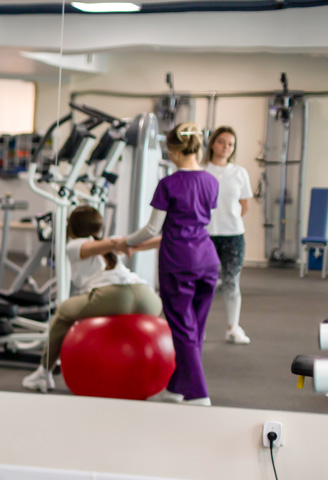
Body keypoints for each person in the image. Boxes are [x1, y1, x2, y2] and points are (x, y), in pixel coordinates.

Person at [107, 122, 219, 405]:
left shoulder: (168, 184)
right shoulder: (211, 181)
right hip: (207, 260)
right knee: (195, 330)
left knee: (183, 329)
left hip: (178, 262)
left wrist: (124, 241)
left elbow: (152, 228)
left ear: (175, 151)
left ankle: (198, 393)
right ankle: (176, 387)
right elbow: (199, 222)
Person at [21, 206, 161, 392]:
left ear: (71, 227)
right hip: (149, 298)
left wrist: (122, 243)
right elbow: (117, 246)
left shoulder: (74, 245)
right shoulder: (107, 244)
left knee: (63, 311)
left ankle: (43, 373)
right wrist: (118, 243)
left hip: (115, 297)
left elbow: (137, 244)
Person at [204, 126, 252, 345]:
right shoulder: (202, 170)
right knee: (204, 284)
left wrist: (229, 220)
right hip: (205, 236)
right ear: (213, 144)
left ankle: (233, 328)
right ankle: (198, 328)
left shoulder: (239, 172)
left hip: (233, 236)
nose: (226, 147)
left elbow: (245, 205)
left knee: (231, 283)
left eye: (230, 144)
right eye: (221, 142)